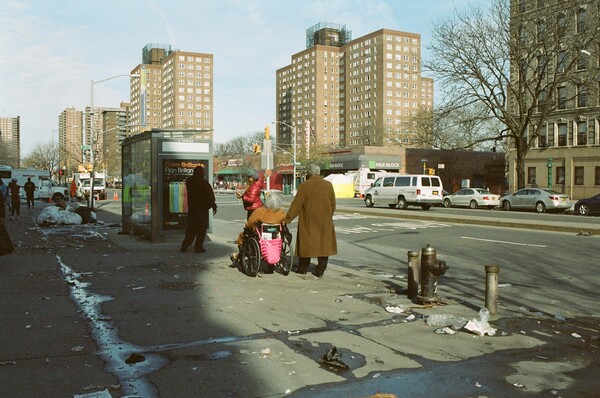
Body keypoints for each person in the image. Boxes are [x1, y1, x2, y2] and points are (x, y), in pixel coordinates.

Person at [283, 163, 337, 277]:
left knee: (306, 244)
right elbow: (333, 205)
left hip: (309, 220)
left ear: (309, 173)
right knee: (323, 245)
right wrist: (327, 216)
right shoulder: (328, 185)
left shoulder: (305, 186)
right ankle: (320, 270)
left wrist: (287, 219)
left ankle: (303, 268)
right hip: (324, 221)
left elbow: (296, 205)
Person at [230, 191, 286, 272]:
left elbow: (249, 224)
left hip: (262, 238)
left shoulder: (260, 211)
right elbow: (285, 223)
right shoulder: (281, 212)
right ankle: (270, 265)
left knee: (242, 236)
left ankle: (240, 257)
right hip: (276, 238)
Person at [180, 166, 217, 253]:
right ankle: (198, 246)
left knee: (191, 229)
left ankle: (185, 244)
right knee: (201, 229)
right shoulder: (203, 183)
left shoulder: (189, 182)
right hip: (202, 210)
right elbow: (210, 196)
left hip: (192, 209)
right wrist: (213, 205)